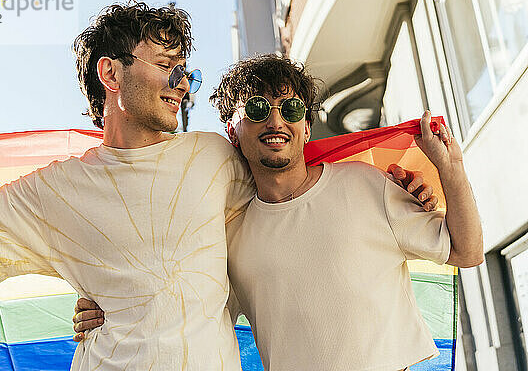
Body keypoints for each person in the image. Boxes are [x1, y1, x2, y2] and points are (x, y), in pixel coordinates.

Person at [0, 2, 434, 370]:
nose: (182, 84)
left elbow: (293, 186)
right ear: (110, 71)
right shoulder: (57, 190)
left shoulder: (214, 155)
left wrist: (401, 184)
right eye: (166, 67)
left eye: (184, 71)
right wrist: (107, 297)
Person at [73, 54, 483, 371]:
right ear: (232, 130)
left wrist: (453, 170)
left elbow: (466, 252)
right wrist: (110, 310)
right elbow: (180, 313)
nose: (275, 121)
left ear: (306, 127)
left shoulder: (368, 185)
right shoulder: (226, 234)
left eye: (290, 110)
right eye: (255, 109)